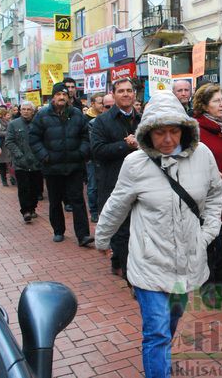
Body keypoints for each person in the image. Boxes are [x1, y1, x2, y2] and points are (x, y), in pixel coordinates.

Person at [95, 91, 222, 378]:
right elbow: (117, 204)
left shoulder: (203, 155)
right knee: (156, 331)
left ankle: (161, 355)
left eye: (174, 131)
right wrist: (103, 238)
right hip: (149, 260)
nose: (168, 140)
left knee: (173, 317)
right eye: (160, 132)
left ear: (184, 129)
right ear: (147, 133)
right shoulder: (135, 164)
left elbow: (216, 195)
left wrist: (207, 233)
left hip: (187, 260)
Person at [30, 81, 93, 246]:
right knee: (55, 201)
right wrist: (45, 156)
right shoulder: (42, 115)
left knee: (78, 201)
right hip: (52, 167)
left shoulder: (77, 114)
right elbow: (34, 138)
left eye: (64, 94)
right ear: (53, 98)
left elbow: (86, 137)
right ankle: (58, 231)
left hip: (74, 166)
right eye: (58, 94)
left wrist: (81, 153)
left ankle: (83, 235)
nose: (62, 97)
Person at [193, 84, 222, 302]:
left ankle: (220, 282)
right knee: (211, 243)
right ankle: (208, 287)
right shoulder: (195, 129)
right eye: (216, 101)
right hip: (206, 196)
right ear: (204, 105)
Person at [90, 78, 141, 278]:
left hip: (140, 181)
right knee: (121, 229)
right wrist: (124, 145)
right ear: (113, 94)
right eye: (121, 91)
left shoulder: (143, 119)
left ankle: (122, 262)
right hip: (114, 181)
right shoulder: (102, 121)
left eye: (129, 90)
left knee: (134, 228)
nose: (126, 94)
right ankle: (126, 270)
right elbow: (97, 150)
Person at [5, 101, 42, 223]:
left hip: (36, 163)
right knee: (24, 188)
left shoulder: (38, 123)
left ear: (33, 111)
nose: (25, 111)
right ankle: (26, 210)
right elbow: (9, 141)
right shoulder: (13, 124)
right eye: (23, 109)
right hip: (21, 163)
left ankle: (33, 208)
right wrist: (19, 155)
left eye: (28, 109)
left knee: (35, 187)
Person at [85, 92, 105, 223]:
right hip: (92, 158)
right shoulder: (87, 120)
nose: (103, 105)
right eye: (100, 103)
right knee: (92, 186)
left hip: (104, 158)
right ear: (93, 104)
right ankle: (93, 211)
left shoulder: (108, 117)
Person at [0, 108, 12, 187]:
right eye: (7, 115)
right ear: (3, 115)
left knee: (11, 162)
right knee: (2, 163)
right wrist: (8, 133)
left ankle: (12, 178)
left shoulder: (10, 122)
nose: (9, 116)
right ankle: (4, 180)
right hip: (1, 145)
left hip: (9, 145)